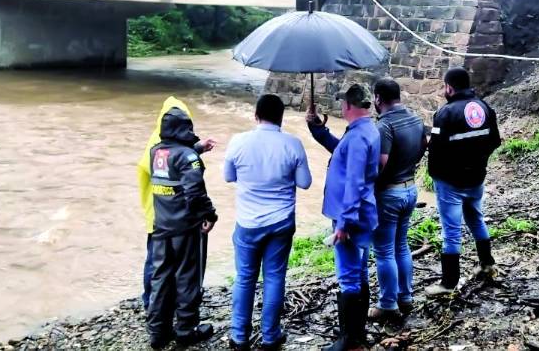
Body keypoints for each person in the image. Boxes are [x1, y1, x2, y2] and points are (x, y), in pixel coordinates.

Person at [224, 94, 313, 350]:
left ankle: (239, 336)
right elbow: (305, 183)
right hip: (281, 222)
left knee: (245, 277)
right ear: (281, 117)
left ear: (256, 115)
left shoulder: (238, 141)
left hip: (248, 223)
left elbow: (228, 176)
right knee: (274, 277)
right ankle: (270, 336)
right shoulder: (293, 144)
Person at [307, 84, 380, 351]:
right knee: (359, 272)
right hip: (362, 213)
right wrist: (317, 129)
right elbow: (342, 152)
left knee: (348, 276)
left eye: (342, 103)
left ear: (348, 105)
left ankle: (349, 341)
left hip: (351, 217)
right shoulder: (365, 130)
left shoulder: (358, 137)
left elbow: (354, 181)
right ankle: (356, 335)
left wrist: (344, 223)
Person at [423, 67, 502, 297]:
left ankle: (449, 283)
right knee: (476, 218)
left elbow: (435, 150)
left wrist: (437, 174)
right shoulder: (484, 108)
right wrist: (477, 161)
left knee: (451, 230)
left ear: (449, 87)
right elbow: (494, 141)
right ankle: (487, 265)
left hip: (450, 182)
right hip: (476, 177)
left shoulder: (445, 113)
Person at [146, 106, 218, 349]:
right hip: (185, 229)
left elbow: (173, 162)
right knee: (187, 277)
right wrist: (210, 215)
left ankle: (158, 333)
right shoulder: (188, 158)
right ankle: (186, 330)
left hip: (161, 227)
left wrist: (197, 148)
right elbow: (194, 193)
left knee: (160, 278)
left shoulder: (155, 152)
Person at [368, 78, 426, 323]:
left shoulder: (384, 126)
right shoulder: (416, 119)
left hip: (389, 194)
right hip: (410, 188)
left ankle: (388, 305)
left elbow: (380, 164)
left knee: (384, 251)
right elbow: (423, 148)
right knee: (401, 245)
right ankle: (406, 297)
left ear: (378, 98)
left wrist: (368, 187)